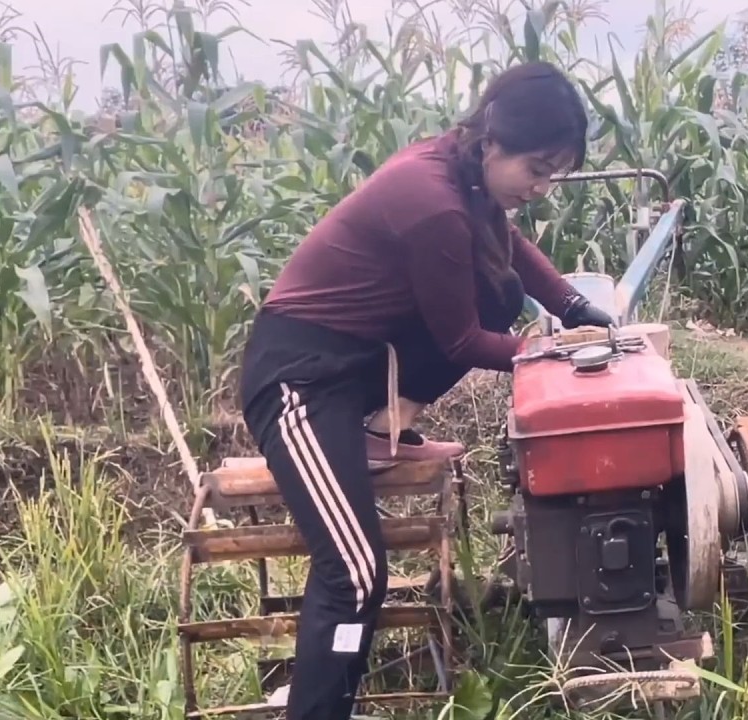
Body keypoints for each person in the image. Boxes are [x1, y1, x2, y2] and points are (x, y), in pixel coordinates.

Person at [236, 60, 616, 720]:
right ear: (495, 143)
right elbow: (462, 343)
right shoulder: (433, 199)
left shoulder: (464, 171)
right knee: (355, 574)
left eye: (554, 172)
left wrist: (576, 306)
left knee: (498, 289)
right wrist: (550, 350)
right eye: (537, 168)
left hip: (358, 363)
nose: (543, 186)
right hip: (300, 379)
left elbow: (511, 248)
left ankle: (385, 419)